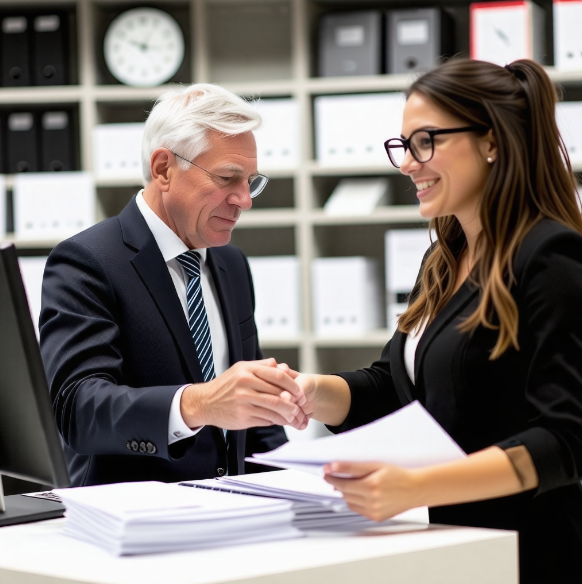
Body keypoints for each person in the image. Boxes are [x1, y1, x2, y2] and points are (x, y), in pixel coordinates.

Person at [292, 59, 582, 583]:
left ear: (491, 142)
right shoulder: (445, 259)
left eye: (425, 142)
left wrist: (418, 487)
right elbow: (395, 390)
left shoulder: (550, 258)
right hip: (455, 549)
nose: (407, 164)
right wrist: (308, 391)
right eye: (403, 145)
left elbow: (565, 439)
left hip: (535, 554)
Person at [40, 83, 305, 488]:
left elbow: (253, 423)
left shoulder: (230, 263)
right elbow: (79, 410)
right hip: (131, 524)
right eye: (228, 178)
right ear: (164, 168)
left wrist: (302, 486)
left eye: (251, 180)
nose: (245, 200)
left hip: (233, 518)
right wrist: (199, 404)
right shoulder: (88, 261)